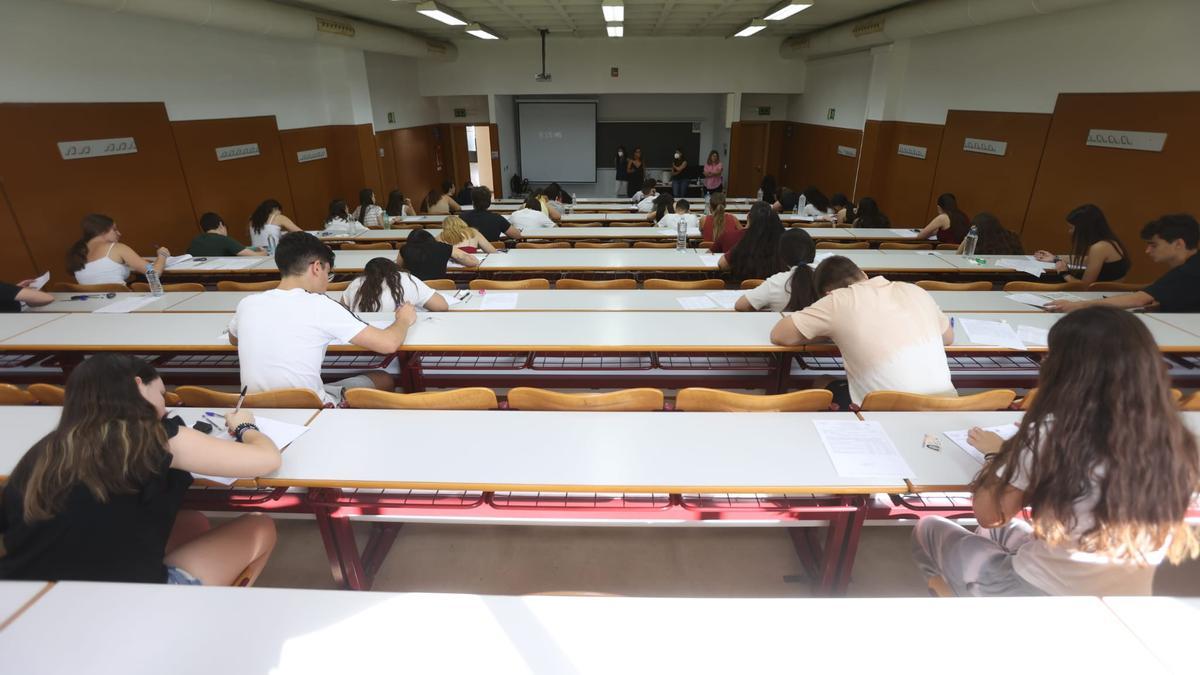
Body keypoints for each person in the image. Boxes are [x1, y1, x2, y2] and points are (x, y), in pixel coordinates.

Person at [912, 306, 1200, 596]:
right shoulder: (1175, 438)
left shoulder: (1055, 432)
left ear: (1070, 370)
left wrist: (999, 456)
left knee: (930, 528)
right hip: (1129, 596)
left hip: (1043, 592)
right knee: (991, 535)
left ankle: (962, 601)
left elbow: (989, 513)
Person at [0, 354, 279, 586]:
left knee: (193, 522)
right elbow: (267, 460)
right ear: (138, 385)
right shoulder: (155, 437)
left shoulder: (44, 450)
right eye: (160, 395)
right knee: (260, 526)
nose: (165, 408)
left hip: (27, 594)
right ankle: (193, 618)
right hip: (119, 602)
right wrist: (245, 426)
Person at [228, 232, 416, 406]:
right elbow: (388, 344)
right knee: (383, 379)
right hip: (309, 407)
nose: (327, 281)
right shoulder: (321, 305)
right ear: (317, 267)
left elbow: (234, 339)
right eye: (328, 273)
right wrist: (403, 319)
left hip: (253, 407)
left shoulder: (247, 303)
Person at [770, 256, 956, 408]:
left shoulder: (837, 300)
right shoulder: (916, 290)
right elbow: (948, 337)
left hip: (887, 412)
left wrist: (828, 331)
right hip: (947, 404)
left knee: (822, 382)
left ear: (827, 294)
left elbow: (780, 335)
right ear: (864, 275)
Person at [1046, 214, 1200, 313]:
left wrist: (1076, 306)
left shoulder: (1189, 271)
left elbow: (1139, 299)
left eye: (1154, 245)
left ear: (1179, 243)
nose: (1147, 251)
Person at [1033, 204, 1129, 285]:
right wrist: (1055, 258)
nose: (1070, 232)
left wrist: (1064, 273)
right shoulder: (1111, 242)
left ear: (1084, 229)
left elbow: (1084, 286)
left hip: (1097, 296)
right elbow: (1088, 260)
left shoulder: (1099, 247)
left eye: (1072, 228)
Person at [67, 214, 170, 287]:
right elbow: (154, 273)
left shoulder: (77, 252)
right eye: (115, 229)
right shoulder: (116, 247)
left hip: (92, 307)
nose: (119, 233)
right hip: (121, 301)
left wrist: (143, 263)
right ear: (102, 231)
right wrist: (162, 255)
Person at [735, 228, 817, 312]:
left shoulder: (776, 282)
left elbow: (740, 305)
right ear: (813, 251)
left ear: (782, 257)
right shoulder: (827, 275)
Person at [342, 257, 448, 313]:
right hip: (400, 333)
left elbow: (341, 309)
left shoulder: (356, 283)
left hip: (363, 337)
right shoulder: (406, 279)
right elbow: (441, 306)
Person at [718, 202, 785, 281]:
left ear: (751, 220)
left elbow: (722, 264)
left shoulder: (747, 241)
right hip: (776, 289)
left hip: (746, 288)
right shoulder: (783, 243)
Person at [400, 228, 479, 280]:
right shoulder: (443, 247)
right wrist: (475, 260)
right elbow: (464, 258)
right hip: (439, 286)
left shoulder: (404, 249)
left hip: (416, 287)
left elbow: (399, 267)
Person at [187, 212, 266, 257]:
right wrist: (264, 253)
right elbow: (253, 255)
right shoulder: (223, 239)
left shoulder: (196, 240)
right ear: (220, 224)